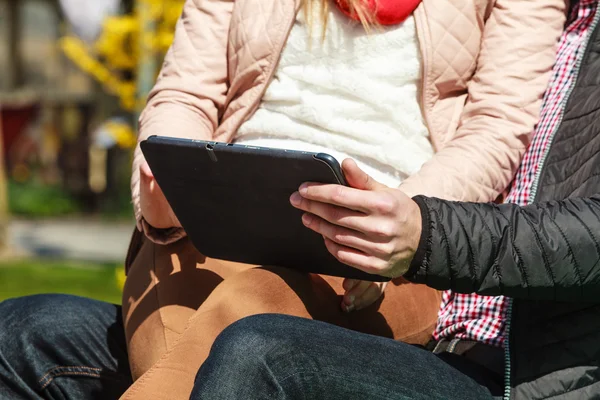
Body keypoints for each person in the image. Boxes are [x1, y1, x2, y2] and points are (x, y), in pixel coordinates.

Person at [0, 0, 566, 399]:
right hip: (218, 219)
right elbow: (187, 91)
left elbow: (496, 130)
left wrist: (404, 220)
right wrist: (164, 170)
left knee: (249, 309)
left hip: (387, 252)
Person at [188, 1, 600, 399]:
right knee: (146, 335)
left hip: (516, 374)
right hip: (447, 338)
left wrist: (424, 232)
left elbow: (589, 233)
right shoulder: (567, 18)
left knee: (260, 351)